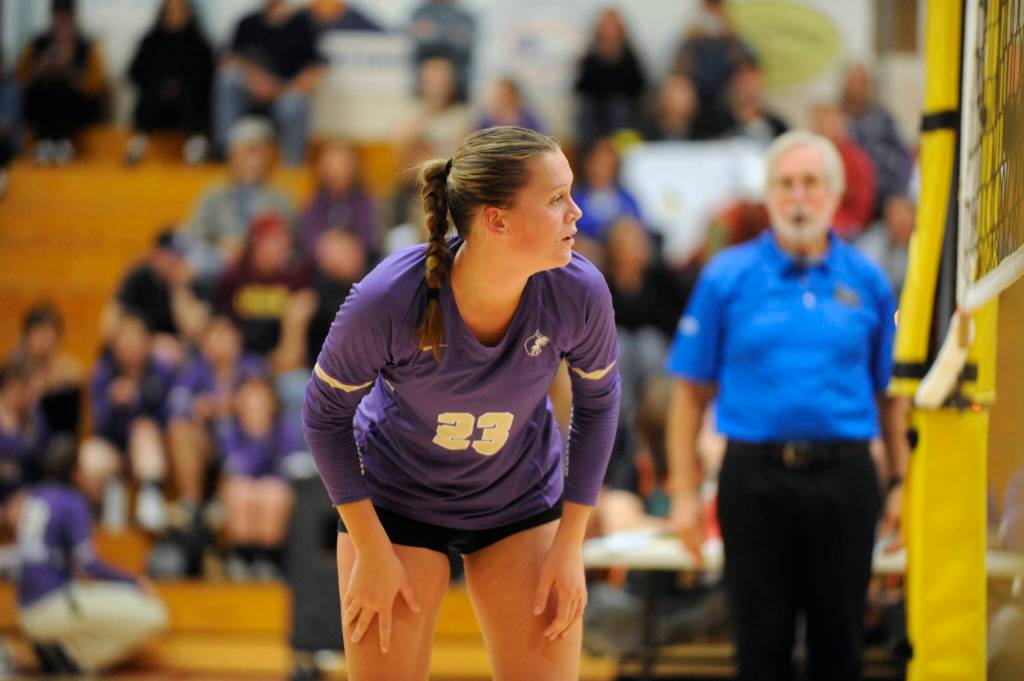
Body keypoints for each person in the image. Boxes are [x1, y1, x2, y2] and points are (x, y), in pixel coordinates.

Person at [302, 126, 620, 679]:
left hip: (519, 500)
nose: (577, 212)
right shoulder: (388, 298)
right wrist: (371, 551)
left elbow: (598, 406)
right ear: (496, 220)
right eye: (555, 198)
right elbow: (323, 416)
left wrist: (571, 543)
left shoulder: (580, 291)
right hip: (395, 505)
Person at [664, 130, 908, 681]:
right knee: (760, 651)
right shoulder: (726, 276)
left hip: (846, 480)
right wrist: (682, 494)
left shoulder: (868, 280)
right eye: (786, 184)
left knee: (841, 651)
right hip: (753, 482)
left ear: (834, 193)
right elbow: (687, 393)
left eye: (811, 184)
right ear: (769, 193)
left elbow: (891, 398)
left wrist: (901, 485)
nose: (798, 197)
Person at [12, 436, 168, 673]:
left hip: (25, 609)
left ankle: (58, 652)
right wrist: (134, 581)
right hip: (52, 605)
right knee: (155, 615)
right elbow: (87, 563)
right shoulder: (71, 500)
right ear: (76, 472)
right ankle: (73, 660)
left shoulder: (35, 495)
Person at [214, 0, 325, 165]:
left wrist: (281, 89)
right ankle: (226, 153)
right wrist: (256, 80)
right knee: (228, 79)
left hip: (285, 93)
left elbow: (315, 69)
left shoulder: (302, 24)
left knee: (293, 104)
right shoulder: (247, 23)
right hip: (251, 90)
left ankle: (292, 167)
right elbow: (230, 61)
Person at [16, 0, 108, 165]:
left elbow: (97, 86)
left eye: (67, 17)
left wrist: (70, 70)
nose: (63, 21)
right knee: (48, 88)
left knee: (61, 88)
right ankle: (46, 143)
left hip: (76, 109)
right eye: (59, 16)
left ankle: (63, 142)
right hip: (41, 108)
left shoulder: (87, 46)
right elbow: (19, 79)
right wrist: (39, 69)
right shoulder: (37, 44)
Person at [124, 0, 214, 165]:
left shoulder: (200, 44)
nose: (175, 17)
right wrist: (160, 86)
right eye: (170, 12)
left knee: (191, 98)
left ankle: (195, 145)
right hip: (156, 103)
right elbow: (134, 73)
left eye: (179, 11)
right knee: (150, 96)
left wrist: (179, 86)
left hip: (189, 104)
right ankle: (138, 143)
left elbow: (206, 77)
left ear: (189, 14)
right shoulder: (151, 42)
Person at [573, 8, 646, 147]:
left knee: (619, 108)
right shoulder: (591, 58)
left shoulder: (630, 57)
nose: (609, 32)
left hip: (622, 112)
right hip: (596, 113)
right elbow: (582, 88)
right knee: (586, 112)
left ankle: (617, 147)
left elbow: (638, 86)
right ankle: (593, 149)